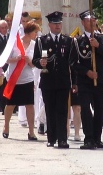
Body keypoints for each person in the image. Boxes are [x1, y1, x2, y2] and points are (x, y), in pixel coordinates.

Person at [32, 11, 77, 149]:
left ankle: (62, 139)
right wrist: (41, 63)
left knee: (62, 111)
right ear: (49, 25)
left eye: (59, 23)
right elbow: (35, 59)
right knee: (50, 111)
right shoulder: (41, 41)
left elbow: (73, 64)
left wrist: (74, 82)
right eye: (55, 23)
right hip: (48, 81)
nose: (58, 26)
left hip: (63, 82)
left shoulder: (68, 41)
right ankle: (51, 138)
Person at [74, 10, 103, 149]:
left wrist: (98, 46)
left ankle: (97, 137)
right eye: (89, 20)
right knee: (85, 109)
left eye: (94, 20)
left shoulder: (102, 38)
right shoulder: (77, 40)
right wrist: (87, 72)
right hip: (85, 81)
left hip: (100, 80)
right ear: (83, 22)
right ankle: (88, 138)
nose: (92, 23)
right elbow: (74, 63)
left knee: (100, 109)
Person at [3, 21, 40, 141]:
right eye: (35, 32)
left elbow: (34, 64)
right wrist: (15, 59)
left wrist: (29, 61)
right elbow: (6, 59)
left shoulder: (35, 44)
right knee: (10, 104)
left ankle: (31, 132)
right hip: (14, 78)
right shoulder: (15, 42)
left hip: (27, 78)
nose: (36, 34)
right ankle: (6, 126)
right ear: (29, 32)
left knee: (30, 104)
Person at [0, 20, 10, 113]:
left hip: (11, 64)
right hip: (2, 65)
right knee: (2, 86)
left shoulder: (11, 37)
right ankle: (3, 106)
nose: (4, 29)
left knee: (11, 85)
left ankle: (12, 105)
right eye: (2, 28)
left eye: (5, 27)